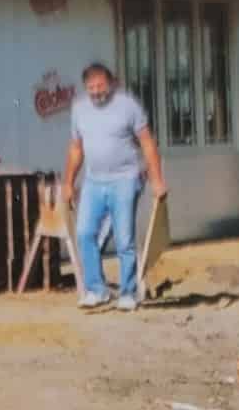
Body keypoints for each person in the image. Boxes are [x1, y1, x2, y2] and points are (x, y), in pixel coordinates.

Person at [63, 62, 167, 313]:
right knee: (85, 233)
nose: (96, 92)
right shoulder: (79, 110)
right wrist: (68, 182)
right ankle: (97, 291)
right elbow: (76, 149)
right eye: (91, 88)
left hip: (125, 179)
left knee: (124, 239)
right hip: (93, 181)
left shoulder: (128, 106)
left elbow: (147, 143)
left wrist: (156, 180)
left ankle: (128, 293)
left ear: (110, 84)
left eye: (100, 86)